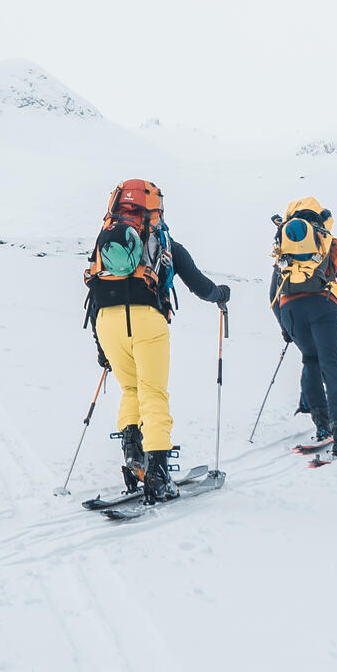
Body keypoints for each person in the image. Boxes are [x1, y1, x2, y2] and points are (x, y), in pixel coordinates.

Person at [82, 178, 229, 503]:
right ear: (155, 208)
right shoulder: (164, 242)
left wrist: (101, 347)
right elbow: (200, 286)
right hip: (147, 321)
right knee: (153, 393)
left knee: (131, 389)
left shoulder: (105, 242)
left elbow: (93, 291)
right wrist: (221, 295)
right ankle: (158, 475)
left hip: (106, 321)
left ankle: (135, 460)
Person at [268, 196, 337, 456]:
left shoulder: (283, 248)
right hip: (322, 306)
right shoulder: (330, 243)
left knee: (310, 359)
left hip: (290, 311)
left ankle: (321, 422)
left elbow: (273, 293)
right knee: (331, 363)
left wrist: (285, 327)